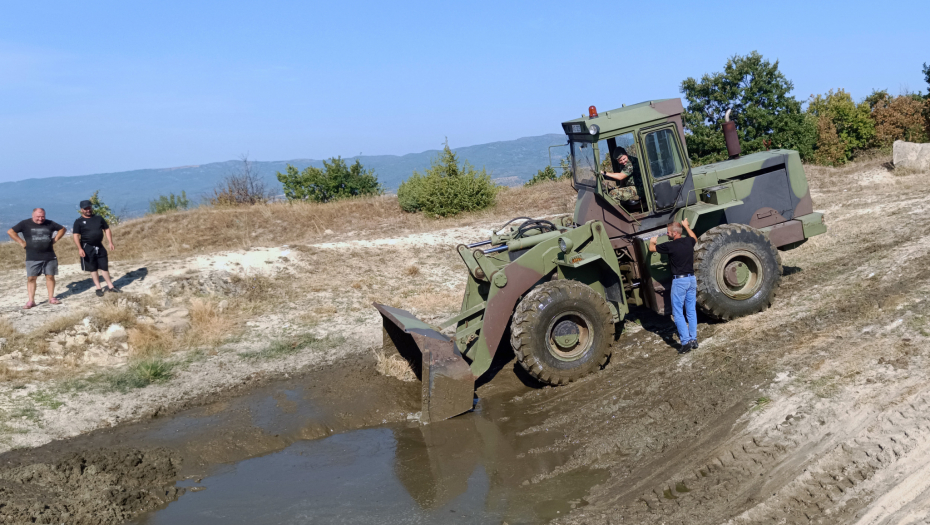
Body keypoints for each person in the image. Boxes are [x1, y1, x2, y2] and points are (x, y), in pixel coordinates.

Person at [649, 218, 698, 354]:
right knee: (691, 310)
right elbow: (694, 238)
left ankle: (685, 342)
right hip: (691, 279)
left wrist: (653, 240)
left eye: (668, 232)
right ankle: (694, 340)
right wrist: (686, 226)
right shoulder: (689, 242)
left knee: (677, 312)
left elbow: (652, 248)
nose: (667, 234)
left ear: (675, 233)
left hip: (680, 281)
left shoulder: (670, 246)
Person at [6, 208, 67, 309]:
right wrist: (21, 242)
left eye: (42, 216)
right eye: (38, 217)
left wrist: (55, 239)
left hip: (49, 255)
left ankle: (51, 297)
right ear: (33, 215)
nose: (40, 219)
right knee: (31, 278)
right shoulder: (24, 223)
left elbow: (62, 229)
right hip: (32, 256)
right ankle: (31, 301)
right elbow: (10, 232)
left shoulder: (50, 223)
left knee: (50, 276)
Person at [72, 199, 120, 297]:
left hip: (99, 246)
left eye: (89, 208)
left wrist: (110, 242)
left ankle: (110, 286)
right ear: (82, 210)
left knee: (104, 267)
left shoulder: (99, 218)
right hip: (87, 247)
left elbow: (106, 229)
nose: (88, 210)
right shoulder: (78, 222)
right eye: (86, 209)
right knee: (93, 269)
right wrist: (80, 248)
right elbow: (76, 236)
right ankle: (98, 288)